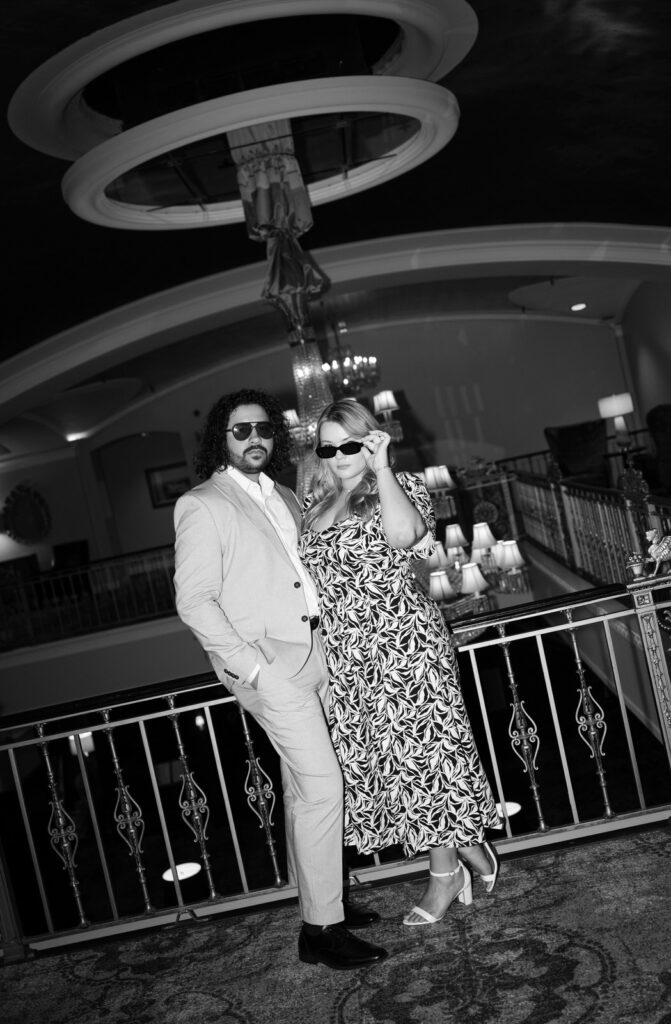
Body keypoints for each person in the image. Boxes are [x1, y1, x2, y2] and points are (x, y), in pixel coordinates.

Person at [173, 388, 387, 967]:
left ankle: (322, 903)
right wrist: (251, 668)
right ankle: (323, 931)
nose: (254, 440)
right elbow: (194, 602)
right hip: (269, 667)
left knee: (300, 790)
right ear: (222, 437)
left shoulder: (287, 494)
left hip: (315, 653)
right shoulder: (202, 504)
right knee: (323, 788)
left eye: (264, 430)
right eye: (241, 430)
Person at [299, 398, 502, 926]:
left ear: (370, 440)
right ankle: (467, 847)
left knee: (425, 757)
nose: (340, 455)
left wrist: (383, 466)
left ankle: (444, 876)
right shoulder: (314, 506)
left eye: (352, 444)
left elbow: (406, 538)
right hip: (349, 654)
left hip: (404, 644)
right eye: (329, 446)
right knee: (390, 765)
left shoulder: (398, 485)